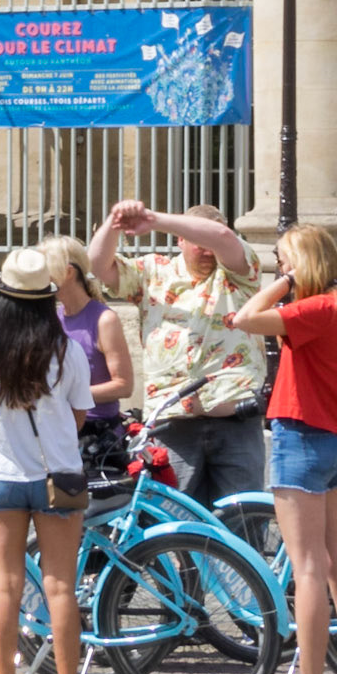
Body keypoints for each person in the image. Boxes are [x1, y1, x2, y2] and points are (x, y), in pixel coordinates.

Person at [230, 225, 337, 674]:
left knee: (309, 568)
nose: (277, 268)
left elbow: (244, 318)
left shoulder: (317, 307)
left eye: (282, 260)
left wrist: (285, 283)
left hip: (302, 437)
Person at [0, 245, 94, 674]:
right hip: (58, 477)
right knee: (61, 589)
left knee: (6, 588)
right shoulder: (67, 349)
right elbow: (80, 414)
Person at [87, 197, 265, 504]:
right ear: (180, 240)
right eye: (198, 241)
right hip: (173, 420)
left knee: (243, 521)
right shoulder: (153, 272)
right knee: (174, 521)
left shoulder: (239, 272)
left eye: (209, 240)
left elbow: (221, 239)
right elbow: (97, 265)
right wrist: (115, 222)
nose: (207, 250)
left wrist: (152, 218)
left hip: (234, 415)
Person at [40, 233, 133, 430]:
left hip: (96, 430)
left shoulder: (104, 320)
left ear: (68, 272)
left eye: (46, 270)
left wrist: (67, 395)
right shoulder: (54, 317)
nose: (42, 277)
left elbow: (124, 385)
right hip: (60, 426)